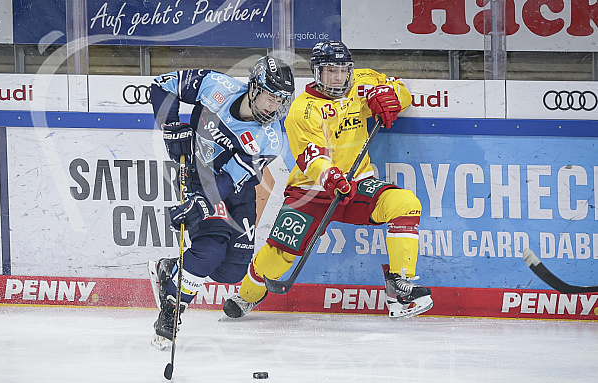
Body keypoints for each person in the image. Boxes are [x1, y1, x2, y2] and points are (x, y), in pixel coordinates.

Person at [222, 40, 433, 320]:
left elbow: (402, 90)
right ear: (317, 72)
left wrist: (387, 96)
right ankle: (247, 295)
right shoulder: (302, 110)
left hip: (357, 184)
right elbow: (311, 158)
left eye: (343, 70)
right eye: (330, 71)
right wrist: (330, 176)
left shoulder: (362, 82)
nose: (338, 77)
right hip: (312, 191)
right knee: (277, 257)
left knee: (405, 204)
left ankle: (399, 289)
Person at [148, 56, 295, 347]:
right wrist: (170, 126)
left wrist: (201, 204)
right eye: (270, 96)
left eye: (280, 100)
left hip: (235, 192)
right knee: (209, 250)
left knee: (231, 271)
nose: (274, 106)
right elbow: (162, 86)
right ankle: (171, 309)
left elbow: (230, 180)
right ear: (253, 88)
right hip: (199, 177)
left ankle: (171, 270)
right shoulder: (216, 85)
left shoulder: (271, 139)